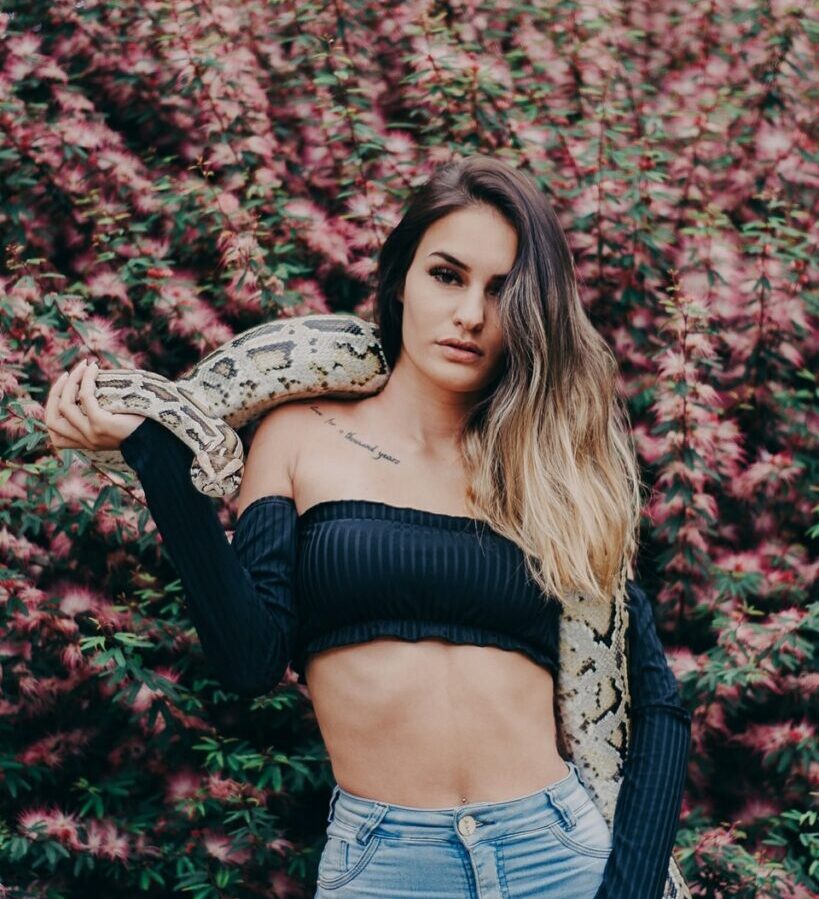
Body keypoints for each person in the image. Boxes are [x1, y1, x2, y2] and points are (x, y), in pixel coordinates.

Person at [46, 155, 691, 898]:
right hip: (386, 865)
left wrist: (629, 891)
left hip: (558, 855)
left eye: (502, 290)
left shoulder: (549, 464)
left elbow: (655, 708)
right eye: (446, 275)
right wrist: (156, 451)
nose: (472, 314)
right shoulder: (296, 436)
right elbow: (250, 658)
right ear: (399, 281)